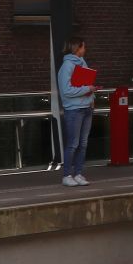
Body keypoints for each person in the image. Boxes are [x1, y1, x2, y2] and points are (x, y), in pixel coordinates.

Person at [56, 36, 95, 187]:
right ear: (76, 48)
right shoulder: (67, 66)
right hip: (74, 110)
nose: (85, 49)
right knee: (73, 144)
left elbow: (87, 82)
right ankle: (66, 175)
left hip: (86, 107)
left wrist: (92, 95)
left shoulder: (82, 63)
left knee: (83, 143)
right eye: (83, 47)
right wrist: (87, 89)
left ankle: (78, 173)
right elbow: (66, 91)